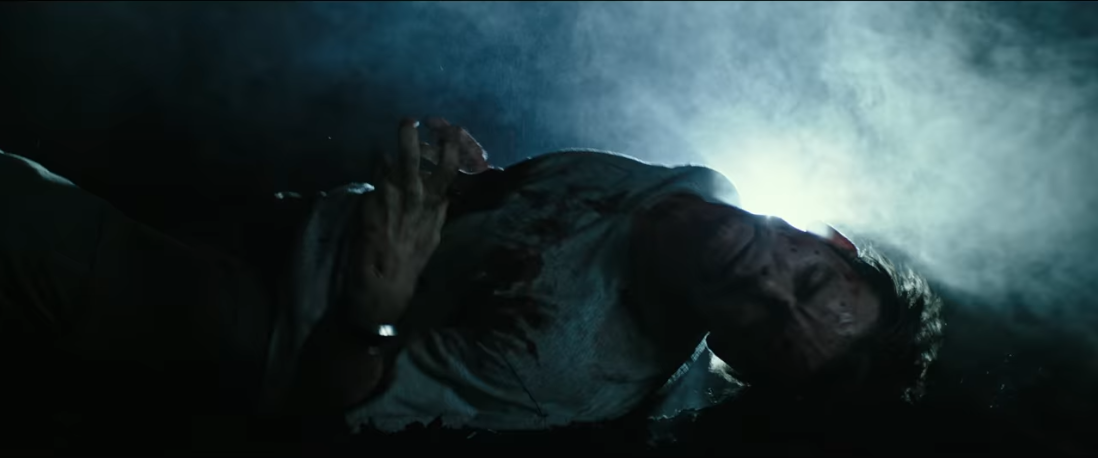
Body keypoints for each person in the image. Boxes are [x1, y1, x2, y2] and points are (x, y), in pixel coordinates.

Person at [0, 118, 943, 435]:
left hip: (247, 324)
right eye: (807, 284)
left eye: (765, 324)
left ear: (729, 350)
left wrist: (374, 308)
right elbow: (506, 201)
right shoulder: (702, 184)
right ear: (830, 242)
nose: (763, 285)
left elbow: (324, 410)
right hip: (275, 220)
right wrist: (460, 176)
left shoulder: (570, 367)